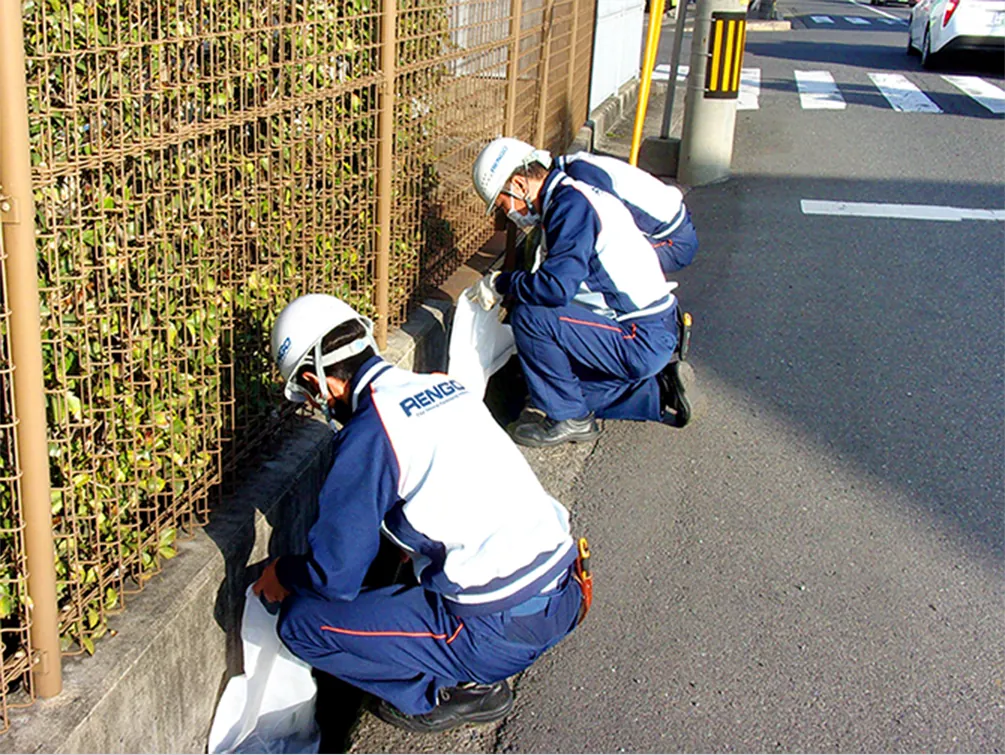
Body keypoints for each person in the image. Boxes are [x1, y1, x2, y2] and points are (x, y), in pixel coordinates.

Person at [253, 293, 590, 734]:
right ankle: (458, 661)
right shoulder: (442, 386)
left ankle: (453, 691)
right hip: (566, 588)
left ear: (319, 382)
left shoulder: (369, 433)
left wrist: (283, 572)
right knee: (405, 561)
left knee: (302, 624)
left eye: (306, 393)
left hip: (498, 630)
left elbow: (334, 578)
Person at [469, 137, 695, 448]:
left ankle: (570, 419)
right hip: (653, 328)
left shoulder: (570, 207)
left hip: (639, 336)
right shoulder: (571, 196)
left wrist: (501, 283)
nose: (507, 215)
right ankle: (658, 391)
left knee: (532, 317)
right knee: (544, 385)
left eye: (502, 205)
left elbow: (555, 288)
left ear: (519, 185)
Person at [553, 151, 699, 277]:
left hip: (673, 241)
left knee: (599, 259)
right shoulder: (580, 164)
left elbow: (608, 221)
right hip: (675, 222)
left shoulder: (582, 177)